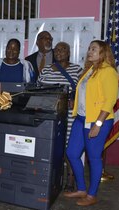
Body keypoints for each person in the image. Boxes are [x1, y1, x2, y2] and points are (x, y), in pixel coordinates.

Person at [63, 40, 118, 206]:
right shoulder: (91, 70)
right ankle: (81, 189)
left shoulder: (108, 71)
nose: (89, 51)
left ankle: (92, 194)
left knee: (93, 157)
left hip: (97, 120)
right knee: (72, 153)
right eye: (89, 48)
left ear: (103, 52)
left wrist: (98, 124)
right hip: (81, 118)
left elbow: (109, 101)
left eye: (94, 49)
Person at [37, 42, 83, 192]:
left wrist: (75, 99)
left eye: (63, 49)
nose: (59, 52)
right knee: (50, 146)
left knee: (69, 148)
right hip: (50, 114)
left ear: (69, 52)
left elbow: (84, 90)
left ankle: (70, 179)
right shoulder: (46, 70)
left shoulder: (77, 69)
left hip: (69, 115)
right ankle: (50, 178)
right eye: (56, 50)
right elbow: (38, 89)